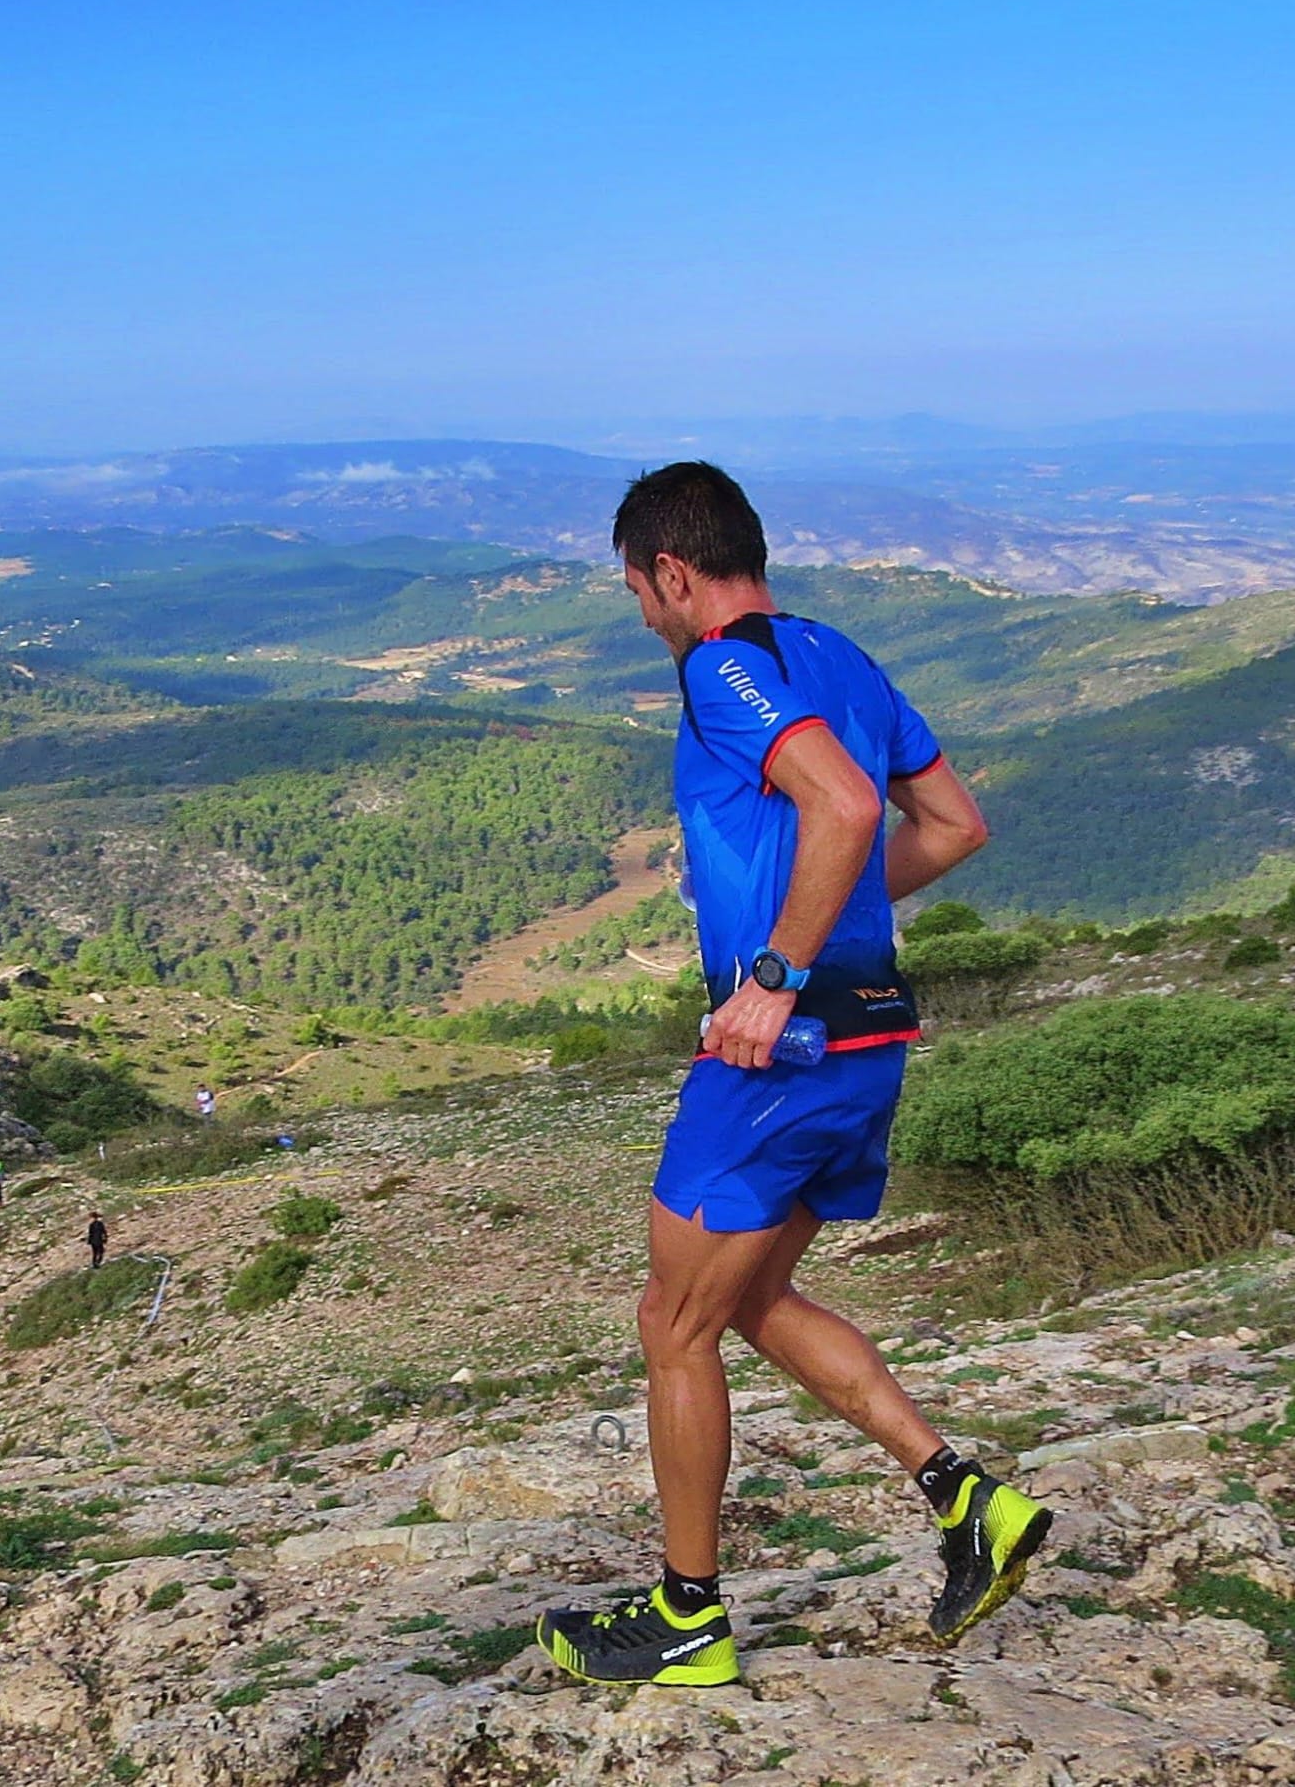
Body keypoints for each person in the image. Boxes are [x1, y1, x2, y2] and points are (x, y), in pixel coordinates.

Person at [535, 463, 1050, 1689]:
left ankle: (686, 1619)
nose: (640, 614)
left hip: (784, 1054)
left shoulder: (722, 666)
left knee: (671, 1323)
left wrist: (772, 973)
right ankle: (964, 1499)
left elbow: (843, 805)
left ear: (670, 572)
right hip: (867, 1044)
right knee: (748, 1299)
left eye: (635, 590)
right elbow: (952, 823)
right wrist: (832, 934)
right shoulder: (839, 654)